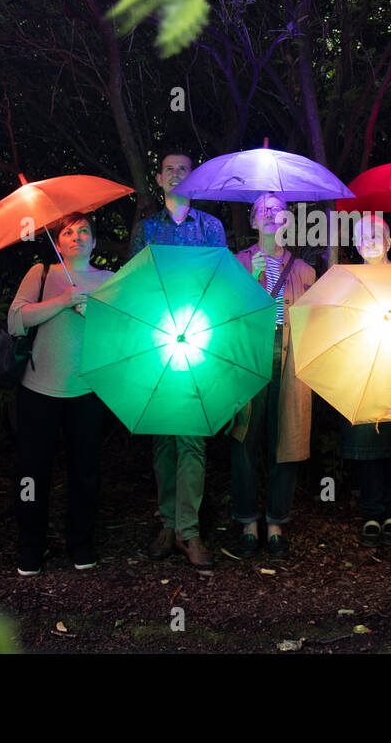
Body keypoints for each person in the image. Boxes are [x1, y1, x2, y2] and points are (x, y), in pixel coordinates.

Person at [127, 150, 228, 570]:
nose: (176, 174)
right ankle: (167, 523)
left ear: (193, 179)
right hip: (158, 342)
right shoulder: (147, 230)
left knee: (190, 437)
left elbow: (223, 283)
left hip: (199, 339)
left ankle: (189, 531)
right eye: (169, 169)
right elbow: (134, 285)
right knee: (163, 438)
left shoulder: (211, 227)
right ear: (158, 177)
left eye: (183, 169)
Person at [7, 213, 114, 575]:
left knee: (85, 473)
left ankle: (81, 544)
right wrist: (65, 300)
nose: (77, 236)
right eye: (68, 231)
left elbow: (125, 331)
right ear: (59, 240)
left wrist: (93, 313)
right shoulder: (41, 274)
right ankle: (30, 547)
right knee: (32, 473)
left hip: (87, 391)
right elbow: (15, 319)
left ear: (94, 242)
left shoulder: (109, 280)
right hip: (38, 391)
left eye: (84, 231)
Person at [229, 193, 317, 559]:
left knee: (288, 438)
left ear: (287, 221)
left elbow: (315, 325)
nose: (270, 215)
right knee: (244, 437)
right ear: (252, 221)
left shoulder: (304, 270)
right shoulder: (236, 264)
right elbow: (227, 315)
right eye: (262, 210)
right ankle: (247, 521)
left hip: (290, 355)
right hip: (249, 354)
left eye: (277, 209)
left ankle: (277, 521)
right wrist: (250, 279)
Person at [338, 213, 391, 548]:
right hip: (362, 368)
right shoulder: (346, 281)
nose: (369, 239)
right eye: (362, 235)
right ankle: (371, 511)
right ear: (356, 244)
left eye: (376, 234)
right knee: (368, 443)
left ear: (388, 242)